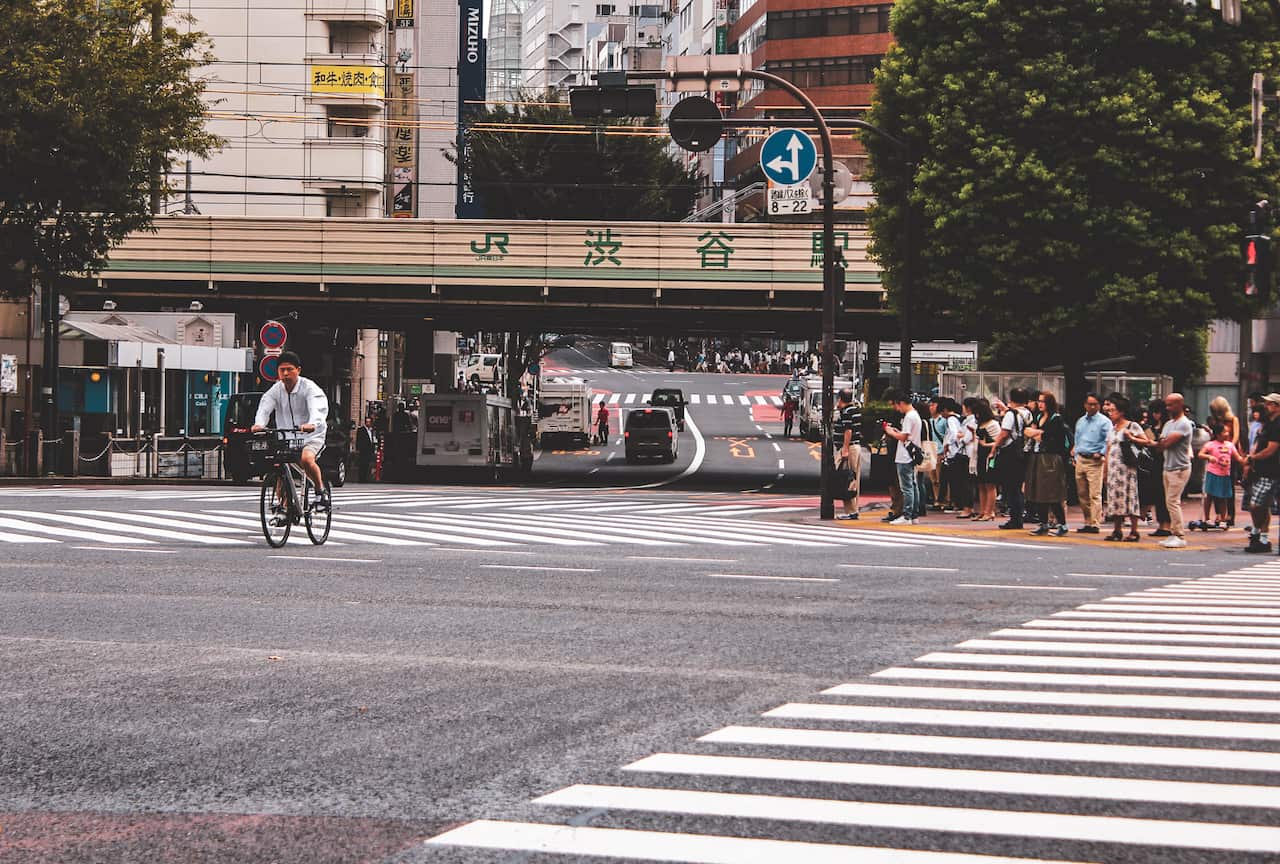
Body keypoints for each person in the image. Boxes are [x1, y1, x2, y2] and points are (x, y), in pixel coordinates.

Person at [251, 350, 330, 507]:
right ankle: (285, 507)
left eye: (289, 369)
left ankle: (321, 492)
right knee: (280, 467)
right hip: (287, 437)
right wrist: (259, 424)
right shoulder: (276, 390)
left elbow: (317, 407)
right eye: (282, 370)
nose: (285, 373)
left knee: (306, 460)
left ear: (298, 370)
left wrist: (312, 423)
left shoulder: (309, 388)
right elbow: (265, 406)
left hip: (311, 435)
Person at [1128, 392, 1194, 549]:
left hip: (1179, 468)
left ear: (1180, 405)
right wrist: (1155, 442)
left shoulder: (1184, 423)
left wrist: (1148, 441)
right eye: (1167, 404)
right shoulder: (1169, 424)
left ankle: (1179, 535)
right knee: (1168, 501)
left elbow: (1163, 444)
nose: (1168, 407)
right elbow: (1159, 443)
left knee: (1172, 501)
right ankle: (1173, 533)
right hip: (1167, 466)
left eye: (1171, 404)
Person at [1024, 391, 1070, 536]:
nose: (1040, 404)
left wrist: (1036, 433)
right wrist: (1036, 433)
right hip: (1038, 456)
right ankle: (1043, 523)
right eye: (1039, 401)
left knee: (1051, 493)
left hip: (1051, 459)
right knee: (1038, 492)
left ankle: (1062, 524)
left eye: (1043, 401)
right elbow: (1029, 432)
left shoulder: (1056, 419)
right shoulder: (1038, 416)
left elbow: (1046, 436)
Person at [1103, 393, 1143, 542]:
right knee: (1115, 498)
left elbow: (1146, 441)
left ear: (1121, 411)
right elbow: (1108, 449)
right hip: (1114, 470)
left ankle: (1134, 530)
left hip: (1127, 469)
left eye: (1113, 410)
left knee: (1130, 497)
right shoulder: (1112, 429)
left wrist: (1131, 437)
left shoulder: (1132, 426)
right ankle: (1117, 529)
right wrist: (1105, 470)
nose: (1110, 413)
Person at [1243, 393, 1280, 553]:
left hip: (1272, 470)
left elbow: (1271, 449)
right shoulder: (1268, 424)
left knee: (1257, 504)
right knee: (1262, 505)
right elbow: (1258, 443)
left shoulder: (1277, 424)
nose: (1266, 406)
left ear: (1277, 406)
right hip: (1264, 470)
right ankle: (1261, 537)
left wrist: (1252, 458)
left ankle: (1258, 534)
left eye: (1269, 404)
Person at [883, 389, 923, 525]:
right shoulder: (915, 415)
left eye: (897, 405)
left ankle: (907, 516)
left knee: (906, 487)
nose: (897, 409)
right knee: (913, 485)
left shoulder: (909, 416)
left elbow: (903, 437)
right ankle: (914, 515)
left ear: (901, 403)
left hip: (904, 456)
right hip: (911, 455)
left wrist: (890, 432)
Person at [994, 388, 1033, 529]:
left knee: (1011, 487)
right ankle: (1019, 516)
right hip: (1024, 452)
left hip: (1010, 453)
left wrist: (994, 447)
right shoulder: (1028, 413)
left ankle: (1015, 519)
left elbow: (1004, 433)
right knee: (1018, 487)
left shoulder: (1011, 414)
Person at [1072, 392, 1110, 534]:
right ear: (1085, 405)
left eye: (1095, 404)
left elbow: (1108, 440)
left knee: (1095, 493)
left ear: (1099, 405)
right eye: (1089, 404)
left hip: (1095, 460)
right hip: (1081, 458)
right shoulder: (1081, 421)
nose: (1092, 406)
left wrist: (1101, 453)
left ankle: (1095, 523)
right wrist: (1075, 455)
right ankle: (1087, 520)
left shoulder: (1104, 422)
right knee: (1082, 493)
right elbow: (1077, 439)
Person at [1195, 423, 1243, 530]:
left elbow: (1238, 458)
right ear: (1217, 434)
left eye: (1227, 431)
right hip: (1212, 473)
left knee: (1223, 497)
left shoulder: (1230, 445)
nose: (1227, 434)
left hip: (1225, 475)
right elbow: (1200, 454)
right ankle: (1207, 518)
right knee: (1210, 496)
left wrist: (1246, 461)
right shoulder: (1210, 444)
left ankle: (1223, 519)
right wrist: (1209, 457)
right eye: (1224, 432)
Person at [1208, 396, 1242, 527]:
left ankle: (1230, 514)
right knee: (1216, 484)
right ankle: (1219, 514)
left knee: (1229, 485)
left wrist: (1228, 448)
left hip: (1229, 455)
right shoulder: (1216, 422)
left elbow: (1236, 437)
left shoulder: (1233, 420)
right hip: (1217, 455)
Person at [969, 396, 1001, 522]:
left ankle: (989, 511)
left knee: (990, 485)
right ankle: (982, 511)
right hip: (979, 456)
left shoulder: (993, 424)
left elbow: (999, 441)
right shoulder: (980, 425)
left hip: (989, 457)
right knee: (981, 485)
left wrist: (986, 445)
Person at [833, 389, 862, 520]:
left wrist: (844, 449)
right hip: (855, 447)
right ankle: (853, 509)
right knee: (853, 479)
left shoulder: (846, 412)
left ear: (840, 399)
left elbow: (848, 431)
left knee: (846, 479)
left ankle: (851, 511)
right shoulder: (855, 410)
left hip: (849, 448)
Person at [938, 398, 969, 517]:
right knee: (957, 480)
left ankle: (956, 504)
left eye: (942, 412)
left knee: (954, 481)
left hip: (953, 453)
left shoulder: (951, 419)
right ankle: (957, 503)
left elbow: (954, 434)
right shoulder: (958, 418)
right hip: (957, 453)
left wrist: (947, 445)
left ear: (945, 410)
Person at [355, 415, 379, 483]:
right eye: (367, 422)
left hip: (369, 450)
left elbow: (373, 439)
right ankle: (361, 478)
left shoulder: (372, 430)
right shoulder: (361, 430)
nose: (368, 423)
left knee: (367, 465)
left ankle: (365, 478)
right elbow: (358, 440)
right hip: (363, 450)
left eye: (369, 422)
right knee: (362, 464)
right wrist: (358, 449)